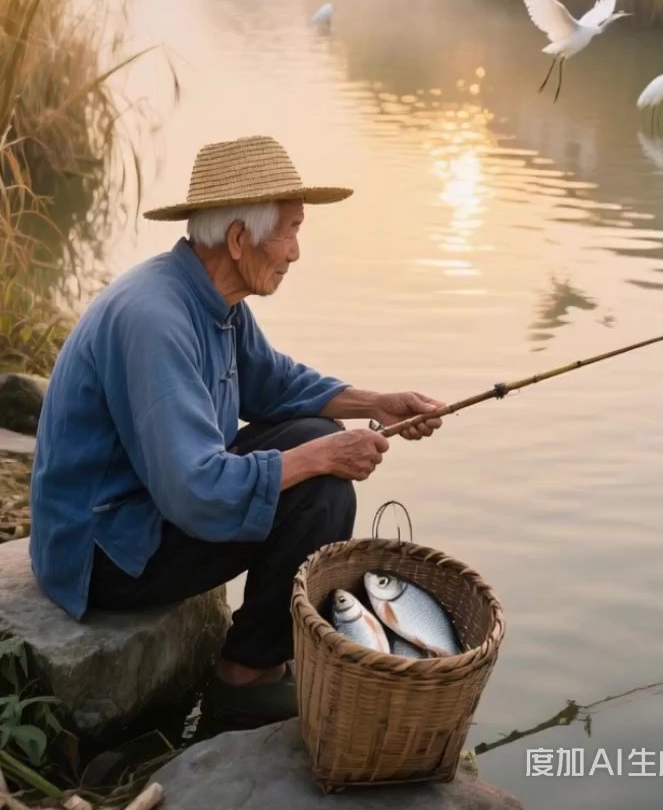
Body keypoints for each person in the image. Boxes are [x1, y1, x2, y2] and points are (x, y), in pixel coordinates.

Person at [30, 135, 442, 724]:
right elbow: (195, 488)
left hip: (142, 512)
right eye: (290, 231)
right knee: (321, 487)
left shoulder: (211, 299)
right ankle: (246, 675)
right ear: (240, 237)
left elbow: (274, 384)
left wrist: (380, 401)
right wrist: (322, 457)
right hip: (102, 552)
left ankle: (267, 652)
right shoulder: (156, 320)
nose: (296, 252)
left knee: (307, 427)